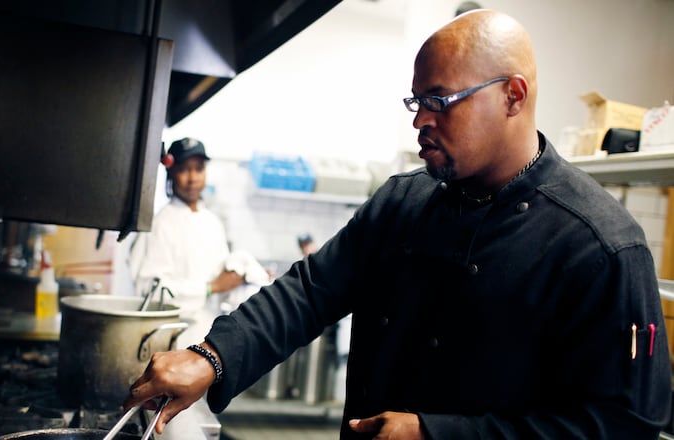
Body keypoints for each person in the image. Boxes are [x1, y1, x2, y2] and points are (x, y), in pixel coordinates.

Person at [125, 10, 672, 439]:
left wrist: (438, 434)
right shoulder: (404, 201)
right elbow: (310, 291)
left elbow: (623, 425)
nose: (419, 120)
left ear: (513, 95)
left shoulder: (601, 247)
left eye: (440, 100)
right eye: (417, 100)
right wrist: (213, 357)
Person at [130, 137, 268, 348]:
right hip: (171, 342)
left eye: (199, 169)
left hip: (210, 340)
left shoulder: (212, 223)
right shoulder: (160, 224)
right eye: (184, 169)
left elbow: (222, 283)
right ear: (171, 173)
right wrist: (209, 288)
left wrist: (244, 278)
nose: (193, 178)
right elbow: (148, 291)